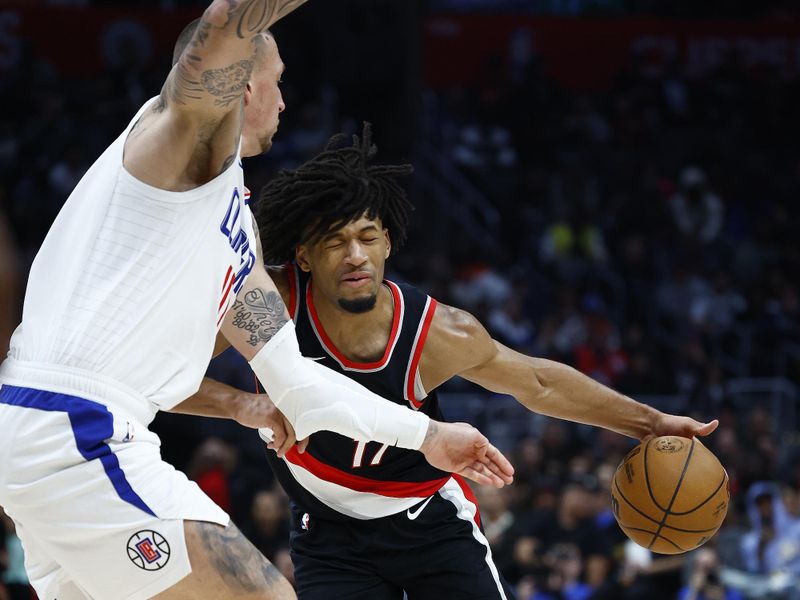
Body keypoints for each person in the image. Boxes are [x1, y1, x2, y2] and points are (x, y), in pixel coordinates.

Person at [0, 4, 512, 599]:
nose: (285, 102)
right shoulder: (180, 148)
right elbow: (227, 21)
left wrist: (426, 437)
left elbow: (297, 383)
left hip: (49, 432)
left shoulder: (233, 236)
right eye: (278, 82)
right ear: (244, 85)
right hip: (75, 427)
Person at [202, 125, 719, 599]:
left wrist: (649, 423)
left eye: (366, 236)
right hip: (328, 532)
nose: (355, 254)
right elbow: (155, 372)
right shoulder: (269, 305)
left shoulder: (439, 333)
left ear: (387, 242)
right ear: (305, 256)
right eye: (335, 241)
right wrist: (241, 404)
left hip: (429, 522)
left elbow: (538, 382)